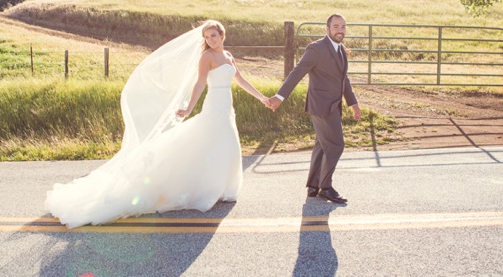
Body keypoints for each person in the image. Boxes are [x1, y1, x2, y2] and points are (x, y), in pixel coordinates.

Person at [45, 20, 270, 228]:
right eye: (207, 37)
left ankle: (222, 188)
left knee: (226, 144)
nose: (211, 40)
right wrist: (189, 108)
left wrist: (262, 98)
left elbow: (240, 80)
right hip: (213, 106)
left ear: (222, 35)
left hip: (226, 107)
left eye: (214, 35)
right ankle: (204, 189)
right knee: (211, 142)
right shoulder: (206, 57)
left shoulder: (229, 56)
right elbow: (200, 83)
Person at [267, 14, 361, 204]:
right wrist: (279, 96)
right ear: (327, 29)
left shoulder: (341, 49)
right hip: (320, 105)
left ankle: (313, 186)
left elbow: (344, 79)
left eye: (343, 26)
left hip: (334, 105)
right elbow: (297, 72)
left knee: (322, 145)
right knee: (335, 145)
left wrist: (353, 103)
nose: (340, 30)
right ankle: (326, 188)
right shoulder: (316, 48)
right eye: (336, 26)